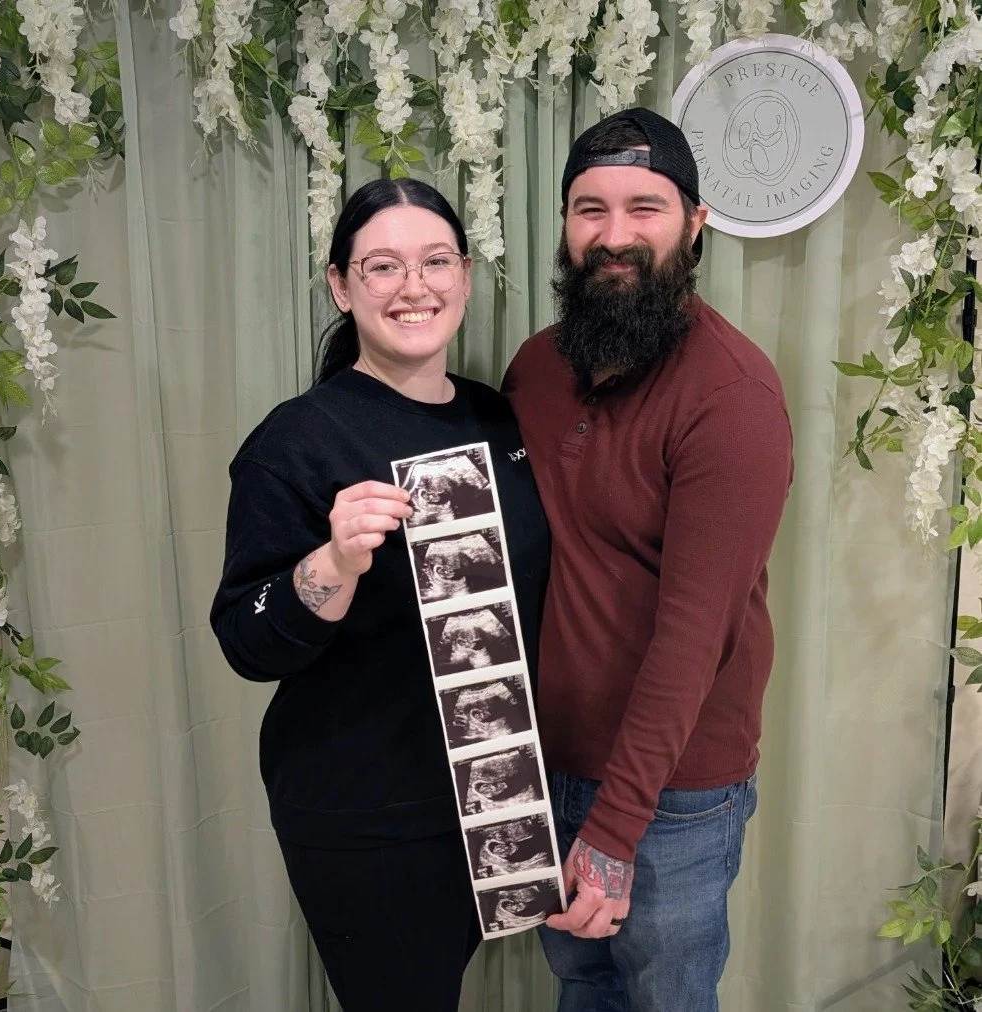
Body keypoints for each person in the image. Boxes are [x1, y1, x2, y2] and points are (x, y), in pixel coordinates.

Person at [210, 178, 550, 1012]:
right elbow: (244, 641)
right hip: (365, 814)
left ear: (465, 277)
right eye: (384, 266)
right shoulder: (294, 441)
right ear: (342, 285)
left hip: (497, 793)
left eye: (435, 262)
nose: (414, 286)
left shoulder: (500, 420)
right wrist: (333, 560)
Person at [502, 107, 794, 1011]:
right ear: (563, 226)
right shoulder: (536, 369)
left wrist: (618, 826)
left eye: (645, 207)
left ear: (695, 225)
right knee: (581, 989)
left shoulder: (733, 398)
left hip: (673, 796)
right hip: (548, 763)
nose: (614, 235)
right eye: (589, 209)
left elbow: (693, 635)